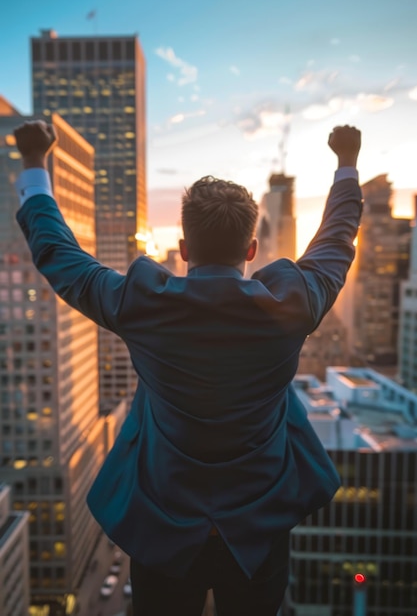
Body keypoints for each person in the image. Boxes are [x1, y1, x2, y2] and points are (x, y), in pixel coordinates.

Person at [14, 121, 362, 616]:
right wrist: (346, 162)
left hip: (163, 527)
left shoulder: (142, 305)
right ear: (251, 251)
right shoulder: (294, 304)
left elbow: (61, 257)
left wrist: (33, 163)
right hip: (259, 525)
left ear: (183, 249)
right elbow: (336, 242)